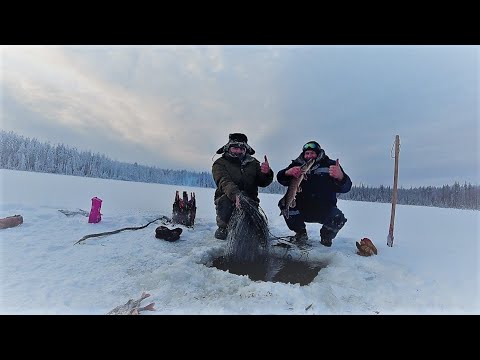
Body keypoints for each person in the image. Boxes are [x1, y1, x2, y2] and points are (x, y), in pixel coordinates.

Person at [276, 141, 352, 247]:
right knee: (284, 204)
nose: (309, 156)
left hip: (324, 209)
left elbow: (346, 188)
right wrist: (286, 173)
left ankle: (326, 238)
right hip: (302, 208)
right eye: (307, 153)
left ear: (318, 153)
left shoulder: (331, 165)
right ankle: (300, 233)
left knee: (338, 217)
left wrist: (341, 177)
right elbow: (281, 179)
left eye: (312, 153)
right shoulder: (297, 166)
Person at [212, 133, 274, 240]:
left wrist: (267, 173)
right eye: (235, 148)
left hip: (250, 201)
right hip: (228, 199)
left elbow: (263, 182)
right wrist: (236, 195)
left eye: (242, 149)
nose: (238, 151)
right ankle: (224, 227)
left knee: (254, 233)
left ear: (246, 150)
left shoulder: (253, 163)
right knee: (224, 229)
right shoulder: (220, 163)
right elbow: (224, 181)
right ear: (228, 148)